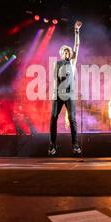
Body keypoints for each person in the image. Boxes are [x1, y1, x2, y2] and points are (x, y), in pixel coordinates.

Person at [48, 20, 82, 156]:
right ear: (61, 53)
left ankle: (75, 145)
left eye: (69, 51)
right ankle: (52, 145)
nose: (67, 53)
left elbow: (77, 45)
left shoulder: (73, 62)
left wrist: (77, 31)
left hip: (70, 95)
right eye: (65, 52)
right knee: (53, 118)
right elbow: (55, 80)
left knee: (72, 119)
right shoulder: (57, 64)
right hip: (58, 94)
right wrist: (54, 94)